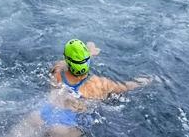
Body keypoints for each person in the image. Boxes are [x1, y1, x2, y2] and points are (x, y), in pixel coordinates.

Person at [9, 39, 150, 136]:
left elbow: (68, 62)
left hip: (40, 116)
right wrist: (146, 80)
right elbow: (127, 86)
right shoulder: (99, 84)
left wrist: (88, 52)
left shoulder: (57, 72)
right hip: (64, 129)